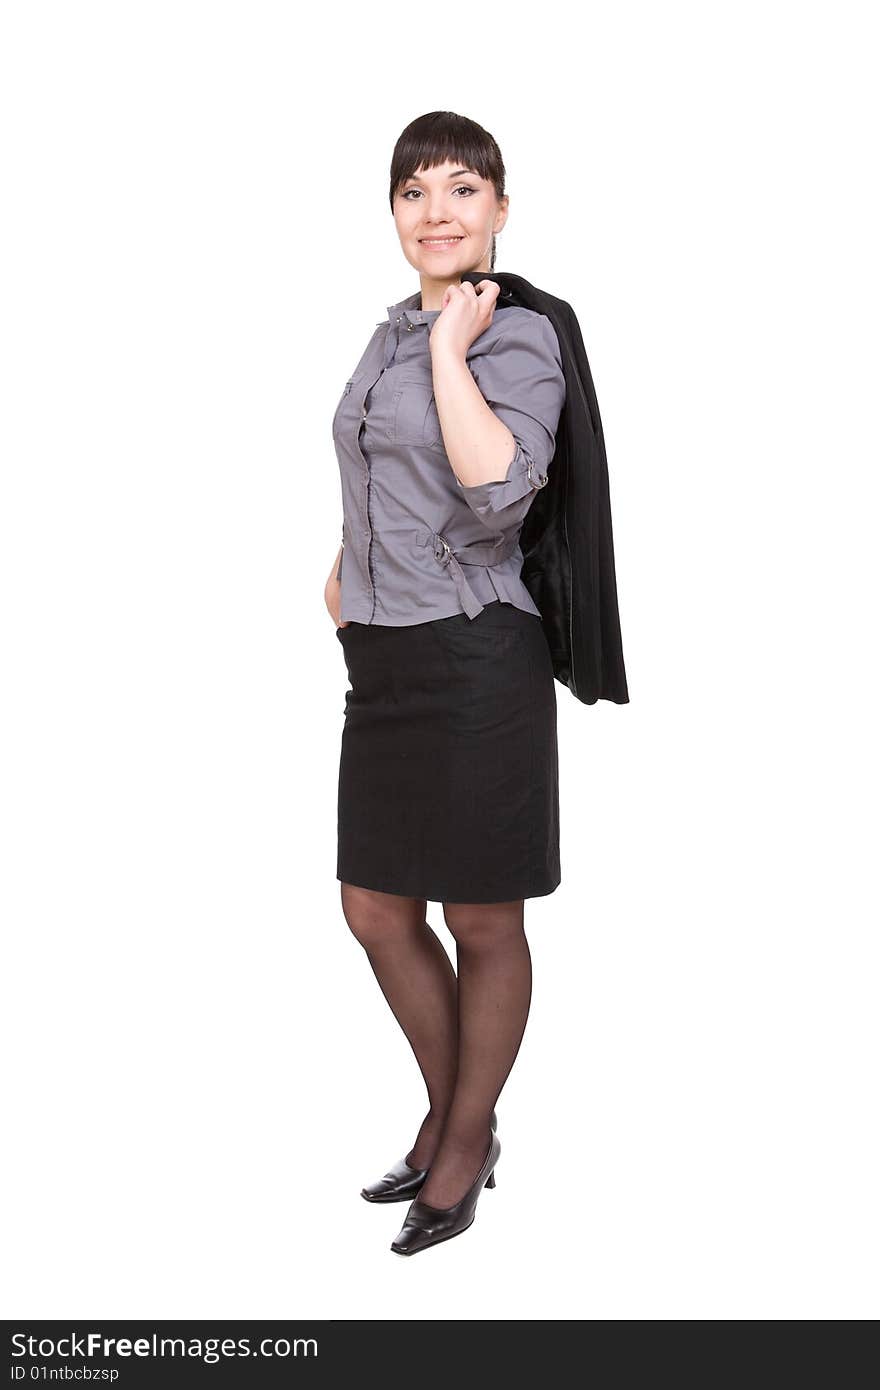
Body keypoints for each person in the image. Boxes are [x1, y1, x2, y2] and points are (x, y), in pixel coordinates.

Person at [325, 111, 567, 1257]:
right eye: (414, 191)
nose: (437, 212)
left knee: (480, 913)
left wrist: (445, 348)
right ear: (393, 213)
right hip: (383, 656)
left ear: (500, 211)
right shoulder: (382, 332)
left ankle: (460, 1140)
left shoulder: (516, 337)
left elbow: (495, 493)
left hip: (477, 660)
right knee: (374, 907)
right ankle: (455, 1110)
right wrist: (342, 581)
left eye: (462, 190)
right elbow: (373, 466)